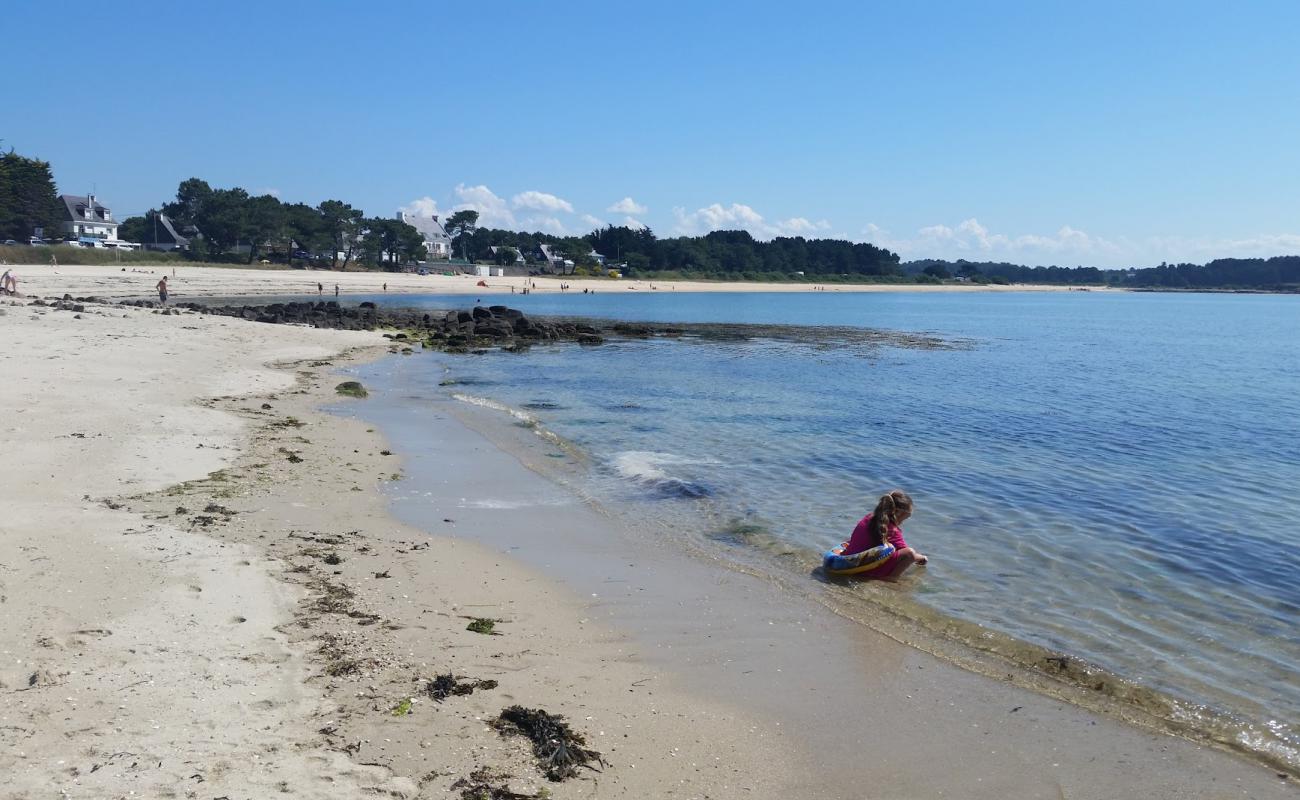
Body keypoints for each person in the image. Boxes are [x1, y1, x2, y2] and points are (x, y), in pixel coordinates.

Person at [842, 490, 927, 580]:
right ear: (899, 513)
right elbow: (905, 554)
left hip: (850, 561)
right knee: (909, 553)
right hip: (864, 569)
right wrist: (922, 557)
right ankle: (890, 579)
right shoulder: (892, 529)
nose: (904, 521)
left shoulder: (868, 517)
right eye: (906, 517)